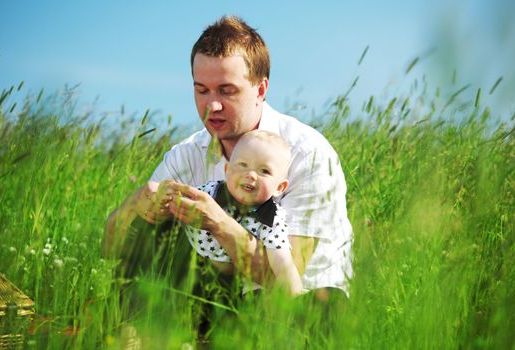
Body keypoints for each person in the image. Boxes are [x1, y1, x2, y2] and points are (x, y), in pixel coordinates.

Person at [103, 15, 352, 303]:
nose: (213, 105)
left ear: (260, 89)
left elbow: (287, 277)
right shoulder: (186, 155)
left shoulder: (307, 153)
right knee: (153, 224)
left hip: (298, 307)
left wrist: (218, 223)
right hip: (217, 297)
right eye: (201, 90)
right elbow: (111, 250)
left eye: (226, 90)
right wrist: (134, 205)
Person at [182, 129, 303, 296]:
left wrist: (294, 296)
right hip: (190, 265)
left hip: (233, 286)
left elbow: (282, 262)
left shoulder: (271, 218)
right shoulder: (210, 193)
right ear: (227, 169)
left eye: (264, 171)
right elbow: (179, 203)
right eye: (242, 165)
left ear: (279, 187)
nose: (251, 174)